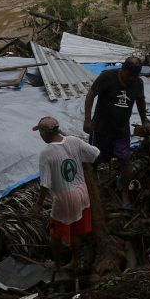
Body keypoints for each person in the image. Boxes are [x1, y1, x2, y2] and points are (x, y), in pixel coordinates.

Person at [83, 56, 150, 208]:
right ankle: (92, 190)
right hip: (101, 128)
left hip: (121, 130)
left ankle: (125, 193)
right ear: (123, 70)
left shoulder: (137, 83)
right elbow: (90, 95)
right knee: (95, 158)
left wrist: (144, 121)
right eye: (130, 75)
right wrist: (87, 120)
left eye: (135, 76)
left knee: (125, 159)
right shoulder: (107, 77)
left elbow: (141, 101)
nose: (132, 79)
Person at [32, 116, 100, 271]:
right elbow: (95, 153)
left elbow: (45, 184)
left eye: (40, 133)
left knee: (56, 235)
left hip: (65, 198)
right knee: (77, 230)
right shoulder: (73, 141)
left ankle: (57, 265)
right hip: (82, 192)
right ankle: (75, 261)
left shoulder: (46, 153)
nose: (40, 136)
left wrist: (38, 204)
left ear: (44, 134)